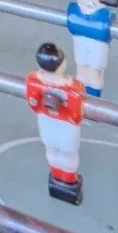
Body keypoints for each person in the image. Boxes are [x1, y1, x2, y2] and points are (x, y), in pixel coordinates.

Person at [24, 41, 86, 204]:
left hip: (45, 120)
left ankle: (56, 177)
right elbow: (76, 116)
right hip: (66, 125)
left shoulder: (33, 81)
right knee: (68, 154)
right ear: (62, 64)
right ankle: (69, 181)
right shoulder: (73, 88)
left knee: (52, 150)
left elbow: (33, 104)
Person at [65, 0, 114, 97]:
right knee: (81, 72)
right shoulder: (74, 7)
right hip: (80, 43)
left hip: (97, 46)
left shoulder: (105, 14)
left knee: (95, 75)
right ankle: (80, 97)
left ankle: (93, 101)